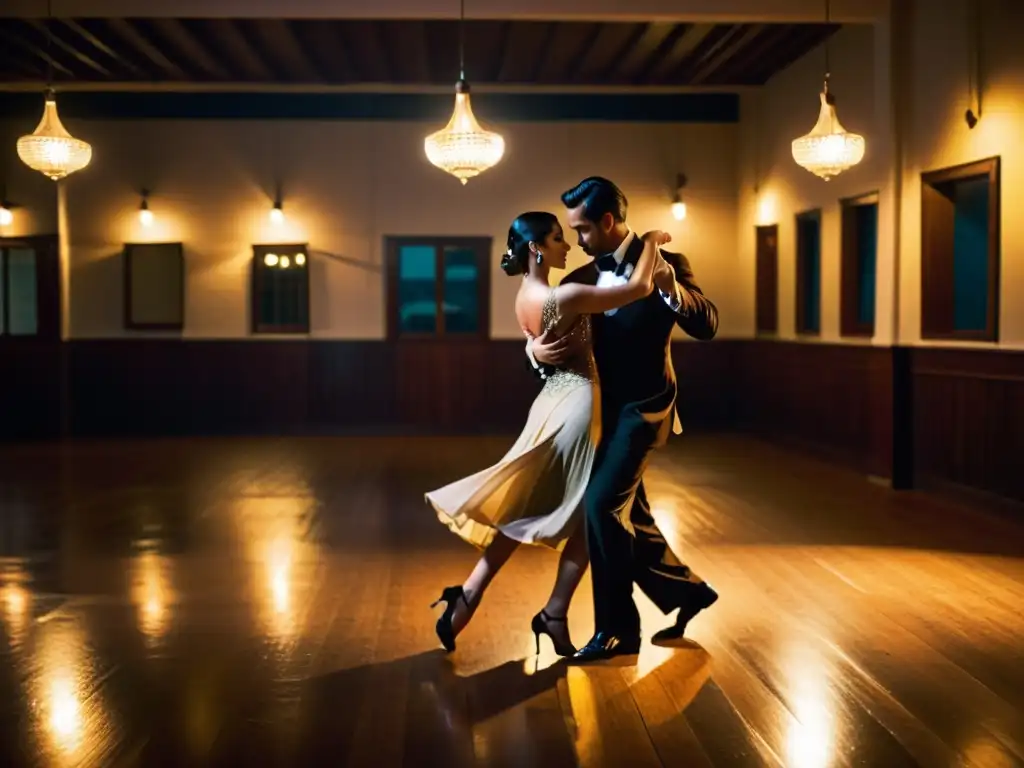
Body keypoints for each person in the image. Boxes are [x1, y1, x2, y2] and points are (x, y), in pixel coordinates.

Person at [425, 211, 672, 657]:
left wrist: (531, 348)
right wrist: (652, 239)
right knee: (588, 517)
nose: (568, 246)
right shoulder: (569, 294)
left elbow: (540, 339)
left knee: (526, 504)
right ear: (536, 248)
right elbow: (638, 288)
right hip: (578, 406)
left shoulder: (525, 296)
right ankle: (554, 612)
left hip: (549, 404)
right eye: (559, 238)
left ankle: (468, 596)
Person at [526, 176, 719, 662]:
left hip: (646, 407)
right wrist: (533, 350)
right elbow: (553, 342)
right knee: (632, 513)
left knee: (601, 509)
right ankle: (688, 592)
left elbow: (708, 324)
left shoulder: (670, 265)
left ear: (608, 221)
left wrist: (673, 292)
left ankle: (617, 631)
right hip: (595, 414)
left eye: (583, 229)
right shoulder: (580, 281)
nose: (575, 240)